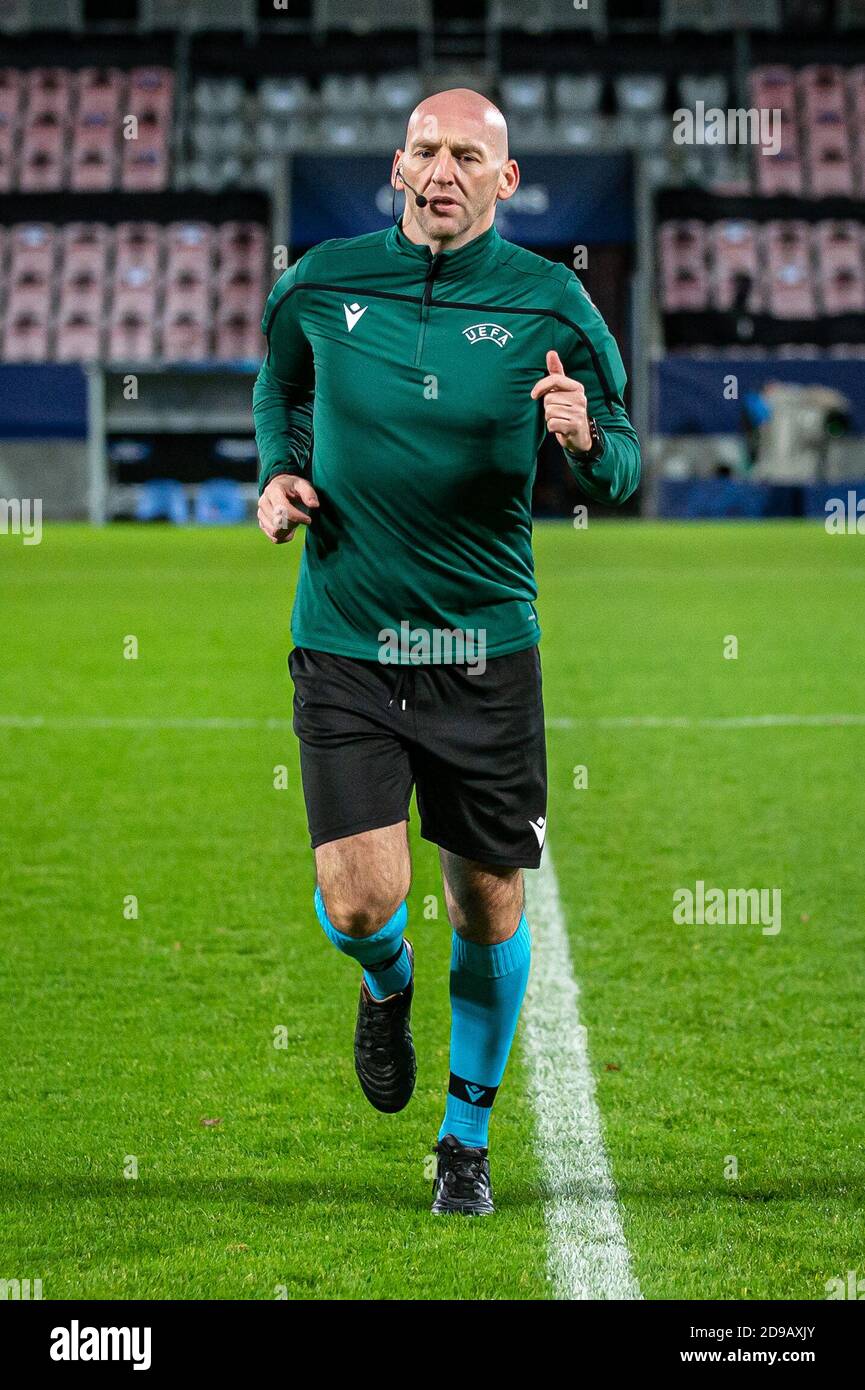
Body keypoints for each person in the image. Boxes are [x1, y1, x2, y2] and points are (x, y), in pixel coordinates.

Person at [254, 87, 640, 1215]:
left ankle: (463, 1142)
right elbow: (280, 379)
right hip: (347, 638)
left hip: (483, 649)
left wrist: (584, 440)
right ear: (397, 164)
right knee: (364, 899)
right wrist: (278, 470)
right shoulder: (320, 281)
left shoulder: (551, 301)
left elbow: (620, 459)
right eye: (425, 149)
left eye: (467, 155)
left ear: (504, 182)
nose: (442, 169)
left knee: (489, 904)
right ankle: (386, 985)